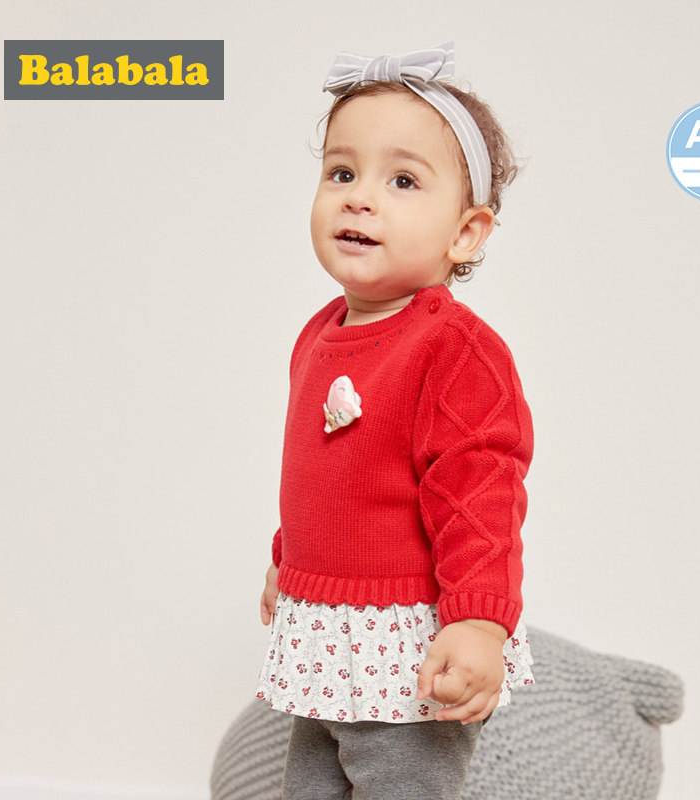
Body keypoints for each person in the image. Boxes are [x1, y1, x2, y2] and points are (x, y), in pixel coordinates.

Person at [255, 43, 535, 800]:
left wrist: (478, 621)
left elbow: (482, 491)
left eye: (402, 180)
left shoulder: (453, 349)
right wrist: (289, 559)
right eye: (341, 173)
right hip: (325, 632)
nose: (359, 198)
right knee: (309, 784)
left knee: (401, 784)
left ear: (465, 234)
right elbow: (323, 474)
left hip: (404, 640)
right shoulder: (319, 333)